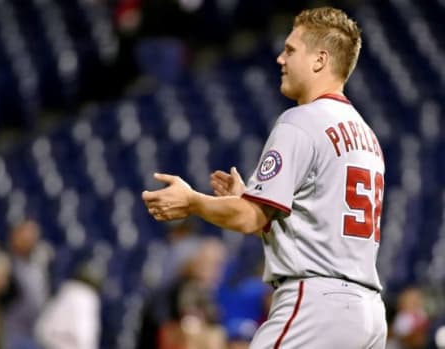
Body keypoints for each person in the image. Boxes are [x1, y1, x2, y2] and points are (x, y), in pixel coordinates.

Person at [143, 6, 387, 348]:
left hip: (316, 304)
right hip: (368, 314)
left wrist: (194, 202)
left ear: (319, 60)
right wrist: (253, 197)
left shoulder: (301, 120)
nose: (280, 58)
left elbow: (247, 218)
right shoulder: (367, 136)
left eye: (290, 50)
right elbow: (312, 226)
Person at [2, 220, 51, 349]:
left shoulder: (39, 266)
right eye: (24, 236)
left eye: (32, 237)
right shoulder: (4, 263)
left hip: (33, 334)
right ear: (14, 237)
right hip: (8, 333)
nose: (29, 240)